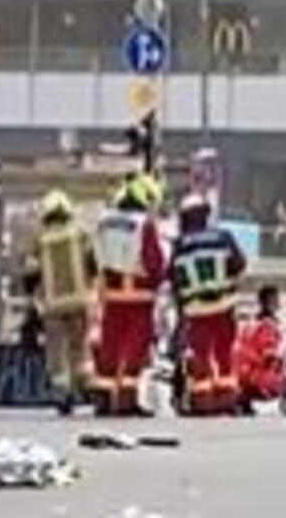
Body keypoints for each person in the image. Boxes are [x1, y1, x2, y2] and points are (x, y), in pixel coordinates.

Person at [92, 175, 168, 415]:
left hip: (112, 294)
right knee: (135, 348)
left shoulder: (104, 221)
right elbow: (153, 260)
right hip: (139, 294)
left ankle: (103, 398)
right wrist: (159, 279)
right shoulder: (143, 224)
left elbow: (93, 257)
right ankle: (126, 399)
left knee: (110, 346)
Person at [172, 192, 247, 415]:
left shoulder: (180, 244)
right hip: (224, 304)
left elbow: (173, 276)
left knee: (201, 354)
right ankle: (227, 400)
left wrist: (180, 309)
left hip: (196, 308)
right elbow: (239, 263)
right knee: (225, 353)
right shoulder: (223, 237)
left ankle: (202, 401)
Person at [24, 189, 97, 415]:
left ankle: (62, 393)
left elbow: (30, 273)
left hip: (53, 304)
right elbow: (94, 263)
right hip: (78, 301)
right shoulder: (81, 235)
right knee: (80, 347)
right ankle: (84, 386)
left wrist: (32, 298)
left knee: (57, 350)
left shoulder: (41, 240)